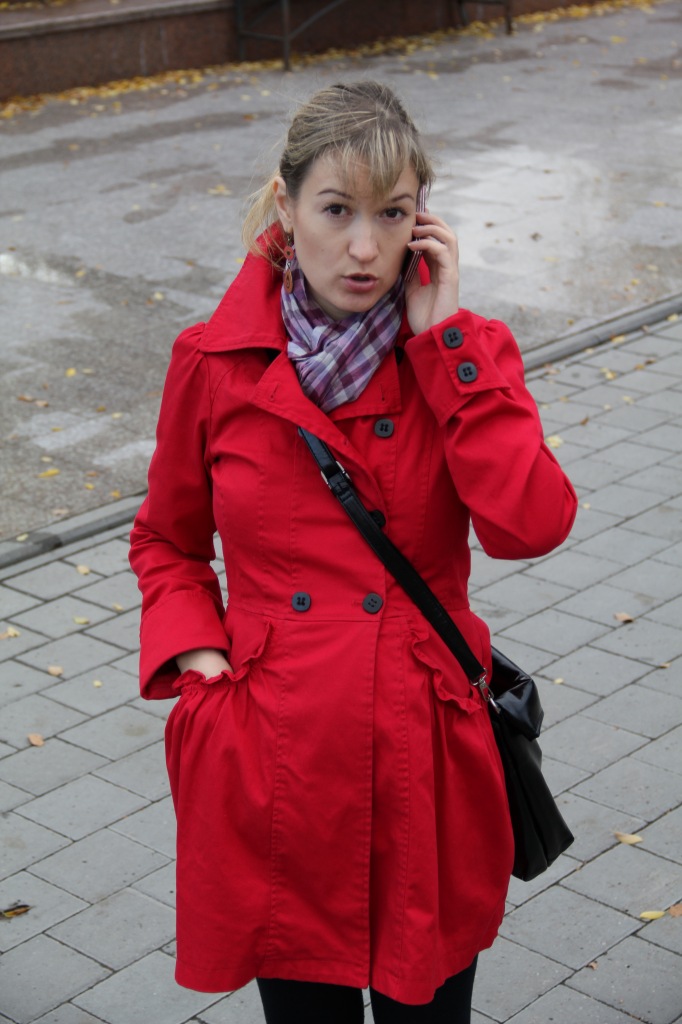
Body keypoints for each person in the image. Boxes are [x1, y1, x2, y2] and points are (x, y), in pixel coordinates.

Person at [129, 80, 577, 1023]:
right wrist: (200, 662)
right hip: (273, 760)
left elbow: (531, 525)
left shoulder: (463, 355)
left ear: (425, 224)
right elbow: (167, 538)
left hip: (423, 758)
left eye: (392, 214)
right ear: (287, 208)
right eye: (337, 210)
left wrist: (446, 350)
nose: (365, 249)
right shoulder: (214, 362)